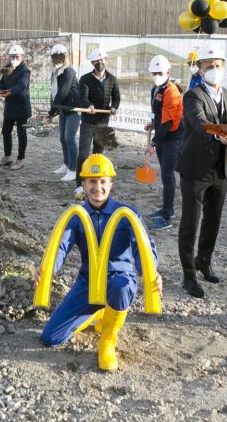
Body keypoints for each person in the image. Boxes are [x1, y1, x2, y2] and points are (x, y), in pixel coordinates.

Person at [38, 154, 162, 371]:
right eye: (92, 182)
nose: (98, 187)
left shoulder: (126, 213)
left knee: (120, 287)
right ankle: (97, 312)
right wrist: (48, 271)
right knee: (51, 337)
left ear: (111, 184)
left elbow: (142, 246)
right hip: (89, 282)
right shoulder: (77, 215)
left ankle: (107, 339)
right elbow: (60, 246)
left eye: (103, 181)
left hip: (118, 279)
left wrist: (150, 272)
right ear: (83, 184)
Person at [176, 45, 227, 298]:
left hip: (219, 167)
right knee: (190, 222)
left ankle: (203, 261)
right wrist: (226, 135)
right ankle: (188, 275)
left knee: (213, 219)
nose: (214, 70)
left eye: (218, 65)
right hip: (194, 168)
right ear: (200, 69)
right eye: (208, 66)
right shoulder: (192, 95)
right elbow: (200, 124)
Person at [74, 49, 121, 199]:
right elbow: (82, 97)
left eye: (102, 60)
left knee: (98, 154)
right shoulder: (85, 79)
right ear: (92, 63)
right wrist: (88, 106)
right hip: (88, 122)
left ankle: (97, 183)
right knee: (83, 154)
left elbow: (117, 97)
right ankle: (80, 186)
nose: (99, 63)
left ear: (106, 60)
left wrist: (114, 107)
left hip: (103, 123)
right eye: (96, 61)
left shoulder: (112, 79)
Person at [144, 55, 183, 231]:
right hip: (163, 133)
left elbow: (168, 121)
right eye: (154, 73)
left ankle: (167, 217)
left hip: (174, 136)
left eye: (160, 72)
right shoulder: (156, 88)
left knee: (167, 176)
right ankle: (168, 209)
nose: (157, 75)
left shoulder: (172, 92)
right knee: (166, 176)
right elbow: (158, 113)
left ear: (168, 72)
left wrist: (153, 143)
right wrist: (153, 123)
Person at [46, 44, 79, 183]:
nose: (58, 59)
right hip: (63, 109)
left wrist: (52, 112)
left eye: (61, 56)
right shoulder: (55, 72)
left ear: (66, 57)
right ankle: (66, 165)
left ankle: (74, 169)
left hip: (73, 109)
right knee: (62, 138)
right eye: (55, 57)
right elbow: (53, 93)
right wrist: (52, 111)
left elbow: (62, 92)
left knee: (69, 138)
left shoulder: (69, 71)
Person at [0, 45, 32, 171]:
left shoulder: (25, 71)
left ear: (21, 57)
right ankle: (7, 157)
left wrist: (9, 92)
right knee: (6, 131)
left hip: (21, 107)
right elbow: (2, 81)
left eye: (17, 57)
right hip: (10, 106)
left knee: (21, 134)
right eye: (12, 57)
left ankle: (20, 159)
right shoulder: (7, 67)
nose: (14, 59)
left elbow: (22, 85)